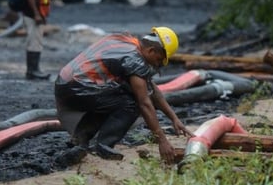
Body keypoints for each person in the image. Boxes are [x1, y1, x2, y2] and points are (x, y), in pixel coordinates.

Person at [54, 26, 194, 165]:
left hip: (66, 83)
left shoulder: (128, 43)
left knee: (112, 100)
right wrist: (162, 141)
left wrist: (174, 118)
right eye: (159, 60)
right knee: (130, 102)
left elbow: (151, 88)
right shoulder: (135, 60)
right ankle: (103, 146)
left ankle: (80, 141)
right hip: (78, 87)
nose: (158, 65)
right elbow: (144, 103)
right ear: (151, 50)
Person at [21, 0, 55, 80]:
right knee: (34, 42)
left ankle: (34, 70)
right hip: (32, 16)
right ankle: (32, 71)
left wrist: (42, 15)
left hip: (36, 16)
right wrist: (36, 15)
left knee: (36, 42)